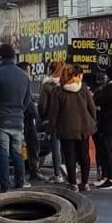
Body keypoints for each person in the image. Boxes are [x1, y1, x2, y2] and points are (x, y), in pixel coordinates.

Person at [0, 43, 35, 191]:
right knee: (17, 153)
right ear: (14, 56)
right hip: (18, 121)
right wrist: (20, 111)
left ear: (0, 57)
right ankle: (20, 182)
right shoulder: (23, 76)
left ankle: (4, 185)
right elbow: (27, 100)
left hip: (0, 120)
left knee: (2, 154)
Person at [43, 63, 97, 192]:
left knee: (69, 156)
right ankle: (85, 182)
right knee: (84, 155)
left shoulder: (58, 91)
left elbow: (54, 112)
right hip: (83, 127)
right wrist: (93, 122)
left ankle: (73, 183)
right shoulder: (83, 89)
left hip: (66, 128)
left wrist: (50, 128)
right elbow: (91, 108)